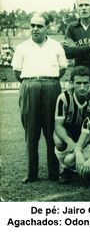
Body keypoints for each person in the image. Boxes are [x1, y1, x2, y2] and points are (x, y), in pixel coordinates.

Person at [11, 13, 68, 183]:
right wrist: (32, 83)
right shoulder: (22, 47)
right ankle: (31, 173)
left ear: (47, 28)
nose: (35, 29)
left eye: (39, 26)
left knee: (52, 130)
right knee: (32, 131)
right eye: (33, 25)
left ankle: (54, 172)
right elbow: (16, 72)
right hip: (30, 86)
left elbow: (62, 69)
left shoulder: (56, 46)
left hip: (51, 85)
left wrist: (48, 81)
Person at [54, 66, 90, 184]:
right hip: (69, 130)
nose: (82, 87)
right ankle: (65, 169)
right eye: (78, 83)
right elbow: (58, 126)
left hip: (88, 132)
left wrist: (79, 147)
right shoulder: (63, 98)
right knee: (59, 141)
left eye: (85, 83)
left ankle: (89, 168)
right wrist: (72, 144)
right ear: (71, 83)